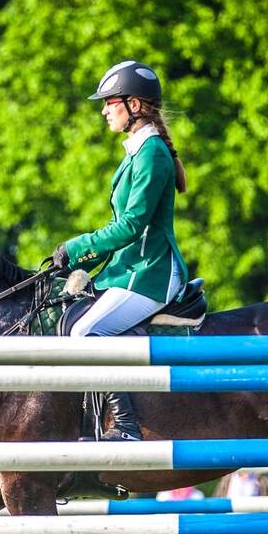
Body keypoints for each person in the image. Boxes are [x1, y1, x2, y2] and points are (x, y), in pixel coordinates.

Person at [51, 60, 190, 441]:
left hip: (151, 274)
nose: (103, 110)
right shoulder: (137, 151)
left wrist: (78, 246)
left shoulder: (152, 154)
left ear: (134, 105)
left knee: (85, 334)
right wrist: (78, 261)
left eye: (109, 102)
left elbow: (132, 225)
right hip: (129, 269)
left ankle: (126, 428)